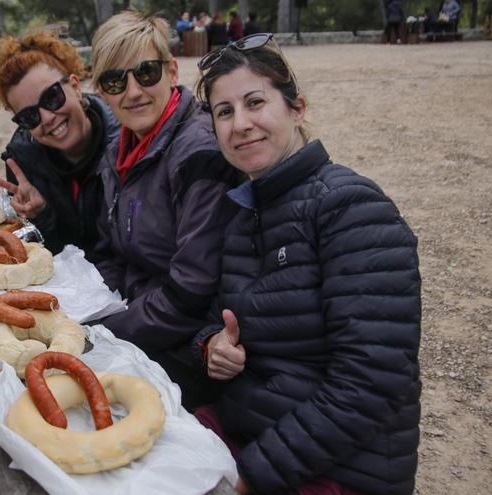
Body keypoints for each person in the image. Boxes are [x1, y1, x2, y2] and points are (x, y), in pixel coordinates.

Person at [193, 33, 421, 494]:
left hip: (341, 467)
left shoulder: (351, 207)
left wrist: (254, 474)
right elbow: (215, 320)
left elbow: (372, 382)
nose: (240, 124)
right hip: (250, 425)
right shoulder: (244, 212)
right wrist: (212, 346)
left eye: (255, 102)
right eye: (225, 112)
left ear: (297, 109)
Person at [90, 11, 239, 406]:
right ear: (101, 93)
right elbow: (109, 251)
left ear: (172, 71)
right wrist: (96, 308)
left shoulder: (199, 152)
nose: (133, 91)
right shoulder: (117, 150)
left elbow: (191, 291)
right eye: (115, 81)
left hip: (192, 344)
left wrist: (103, 331)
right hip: (142, 320)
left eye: (147, 72)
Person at [0, 32, 120, 258]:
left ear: (75, 87)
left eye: (52, 97)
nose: (47, 118)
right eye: (29, 116)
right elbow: (49, 258)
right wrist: (40, 216)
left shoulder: (128, 142)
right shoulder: (24, 162)